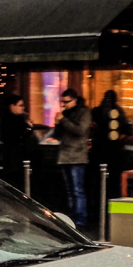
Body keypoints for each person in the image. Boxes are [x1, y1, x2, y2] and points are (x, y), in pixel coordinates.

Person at [53, 88, 91, 228]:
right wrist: (57, 123)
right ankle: (72, 216)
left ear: (75, 100)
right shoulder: (65, 113)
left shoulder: (84, 112)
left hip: (77, 155)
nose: (65, 105)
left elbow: (80, 130)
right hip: (64, 154)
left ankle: (80, 218)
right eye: (63, 102)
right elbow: (57, 135)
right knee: (70, 189)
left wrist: (63, 120)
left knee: (77, 189)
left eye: (67, 102)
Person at [92, 89, 128, 190]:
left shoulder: (99, 111)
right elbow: (125, 128)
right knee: (110, 178)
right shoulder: (118, 111)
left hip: (105, 148)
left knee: (105, 178)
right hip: (107, 148)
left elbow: (125, 129)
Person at [0, 94, 35, 187]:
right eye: (20, 105)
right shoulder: (8, 120)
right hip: (13, 160)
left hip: (21, 160)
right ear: (12, 106)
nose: (23, 108)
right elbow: (16, 135)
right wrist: (28, 128)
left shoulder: (20, 119)